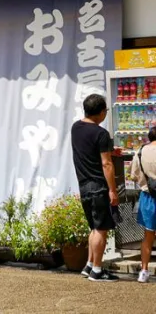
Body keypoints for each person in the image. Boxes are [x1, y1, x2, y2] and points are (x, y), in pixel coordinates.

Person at [71, 94, 119, 282]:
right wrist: (113, 190)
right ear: (100, 112)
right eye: (105, 111)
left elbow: (89, 150)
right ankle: (97, 270)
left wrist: (108, 149)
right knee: (101, 229)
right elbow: (106, 164)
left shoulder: (76, 128)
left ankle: (90, 265)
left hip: (83, 185)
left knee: (94, 227)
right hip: (99, 186)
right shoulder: (101, 134)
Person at [131, 127, 156, 283]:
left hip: (148, 197)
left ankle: (144, 271)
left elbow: (134, 175)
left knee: (148, 236)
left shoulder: (140, 152)